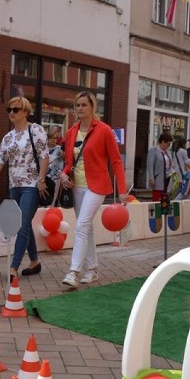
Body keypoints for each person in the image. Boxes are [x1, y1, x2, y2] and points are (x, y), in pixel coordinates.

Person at [58, 91, 126, 286]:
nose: (79, 108)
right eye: (77, 105)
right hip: (76, 185)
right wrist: (63, 174)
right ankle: (93, 269)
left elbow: (116, 161)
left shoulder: (104, 130)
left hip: (97, 186)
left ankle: (73, 272)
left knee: (81, 226)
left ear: (92, 107)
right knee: (86, 229)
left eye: (83, 105)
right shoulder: (71, 131)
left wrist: (121, 190)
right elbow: (69, 161)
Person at [0, 96, 49, 280]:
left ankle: (13, 267)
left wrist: (41, 179)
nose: (11, 113)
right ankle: (34, 261)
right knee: (24, 224)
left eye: (15, 110)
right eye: (9, 109)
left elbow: (44, 156)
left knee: (22, 225)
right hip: (14, 186)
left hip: (31, 186)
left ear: (25, 112)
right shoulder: (8, 138)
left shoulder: (36, 130)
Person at [146, 132, 174, 202]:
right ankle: (157, 212)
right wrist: (151, 178)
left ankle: (163, 212)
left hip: (167, 177)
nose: (168, 146)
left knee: (165, 198)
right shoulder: (154, 150)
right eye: (168, 144)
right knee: (157, 198)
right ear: (163, 142)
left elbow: (170, 162)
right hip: (158, 178)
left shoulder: (167, 152)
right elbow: (150, 165)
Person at [47, 125, 65, 206]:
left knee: (52, 200)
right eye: (50, 138)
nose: (52, 140)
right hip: (45, 178)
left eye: (54, 138)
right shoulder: (43, 149)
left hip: (55, 178)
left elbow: (63, 161)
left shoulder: (59, 149)